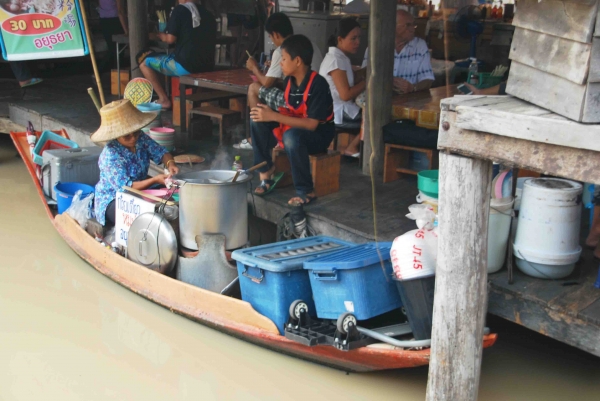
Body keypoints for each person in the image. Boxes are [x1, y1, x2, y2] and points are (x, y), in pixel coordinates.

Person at [249, 35, 334, 205]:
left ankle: (306, 191)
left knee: (292, 137)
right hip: (294, 125)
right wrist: (268, 114)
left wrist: (273, 116)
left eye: (284, 59)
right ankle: (266, 171)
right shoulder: (289, 81)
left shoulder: (318, 84)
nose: (280, 63)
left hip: (319, 135)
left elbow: (311, 124)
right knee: (257, 118)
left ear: (297, 61)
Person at [236, 12, 323, 150]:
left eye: (271, 37)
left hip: (300, 102)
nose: (272, 40)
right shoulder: (309, 43)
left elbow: (267, 83)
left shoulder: (282, 49)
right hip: (316, 97)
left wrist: (254, 68)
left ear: (276, 34)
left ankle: (257, 137)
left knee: (253, 88)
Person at [92, 99, 179, 226]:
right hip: (114, 198)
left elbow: (161, 152)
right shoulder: (110, 154)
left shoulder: (141, 138)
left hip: (142, 189)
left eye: (136, 133)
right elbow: (126, 187)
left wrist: (171, 164)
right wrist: (154, 180)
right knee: (144, 214)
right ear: (116, 136)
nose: (133, 138)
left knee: (171, 200)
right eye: (127, 136)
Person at [140, 0, 216, 110]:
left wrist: (160, 35)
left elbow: (170, 39)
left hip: (185, 66)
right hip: (207, 66)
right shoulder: (208, 14)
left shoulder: (180, 10)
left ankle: (163, 99)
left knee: (144, 62)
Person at [319, 16, 366, 157]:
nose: (358, 42)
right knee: (376, 119)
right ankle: (352, 147)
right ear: (340, 39)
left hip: (338, 109)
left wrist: (368, 70)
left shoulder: (341, 57)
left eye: (359, 37)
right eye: (353, 38)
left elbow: (350, 79)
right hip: (337, 113)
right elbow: (345, 95)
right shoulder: (335, 60)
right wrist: (369, 81)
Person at [362, 10, 434, 94]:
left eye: (413, 24)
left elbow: (428, 79)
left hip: (408, 101)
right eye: (408, 25)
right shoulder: (376, 47)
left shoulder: (419, 46)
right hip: (380, 99)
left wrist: (413, 88)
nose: (412, 29)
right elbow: (364, 76)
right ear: (393, 26)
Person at [97, 0, 128, 72]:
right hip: (115, 21)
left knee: (112, 49)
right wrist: (126, 30)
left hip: (103, 21)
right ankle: (100, 73)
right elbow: (120, 11)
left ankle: (115, 76)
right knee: (118, 49)